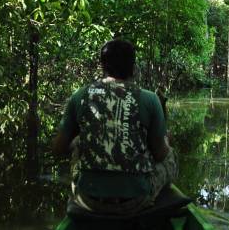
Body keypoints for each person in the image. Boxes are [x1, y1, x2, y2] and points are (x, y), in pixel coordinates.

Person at [52, 39, 177, 215]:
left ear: (102, 65)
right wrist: (165, 141)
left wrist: (79, 143)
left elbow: (58, 148)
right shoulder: (150, 99)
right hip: (136, 201)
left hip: (88, 200)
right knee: (169, 154)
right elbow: (160, 153)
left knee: (77, 146)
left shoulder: (80, 95)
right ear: (133, 68)